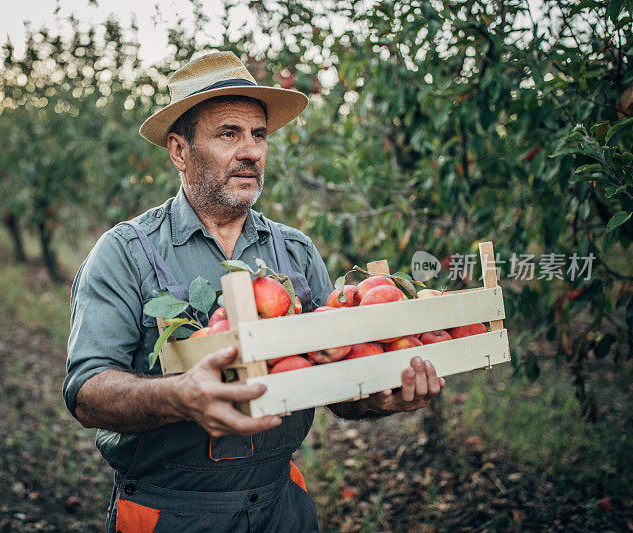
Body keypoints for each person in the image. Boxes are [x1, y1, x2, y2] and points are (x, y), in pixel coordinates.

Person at [64, 51, 444, 532]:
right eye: (229, 134)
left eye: (259, 135)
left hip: (281, 507)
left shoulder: (295, 253)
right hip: (171, 514)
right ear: (180, 151)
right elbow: (86, 391)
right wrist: (181, 395)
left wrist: (378, 397)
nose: (252, 151)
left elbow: (335, 382)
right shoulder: (124, 253)